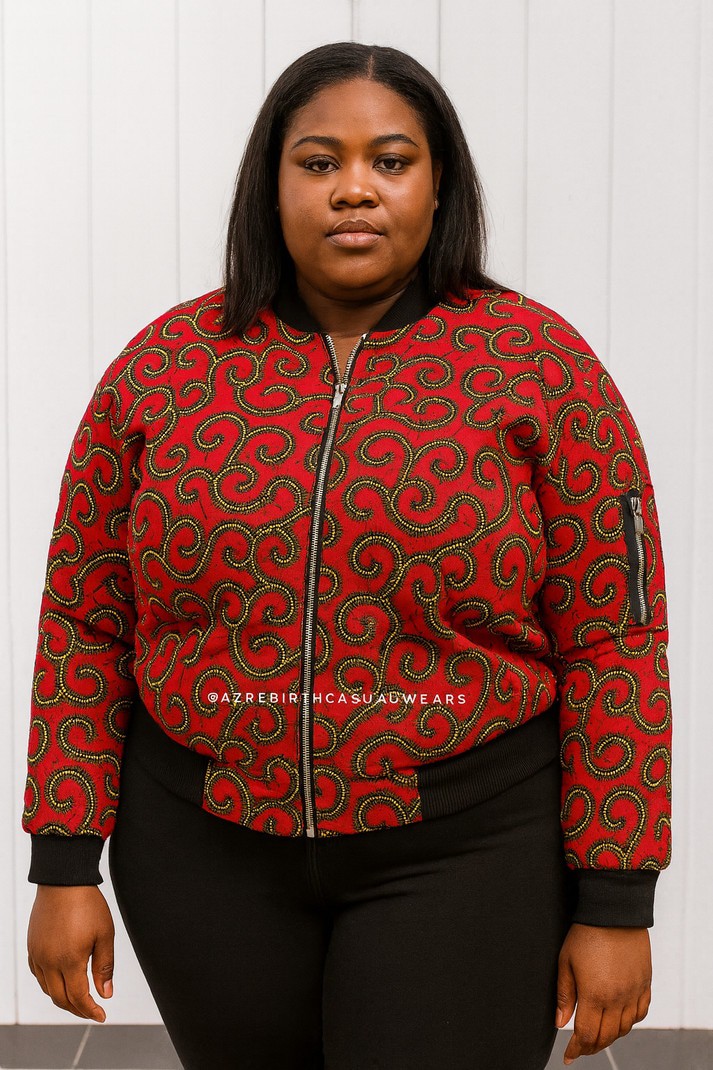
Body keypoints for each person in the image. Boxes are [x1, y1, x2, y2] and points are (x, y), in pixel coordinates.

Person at [22, 41, 671, 1070]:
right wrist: (63, 861)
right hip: (199, 849)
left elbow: (615, 641)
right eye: (319, 161)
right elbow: (84, 621)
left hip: (471, 848)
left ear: (438, 184)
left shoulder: (543, 369)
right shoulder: (162, 370)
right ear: (271, 183)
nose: (354, 189)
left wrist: (616, 897)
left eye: (391, 160)